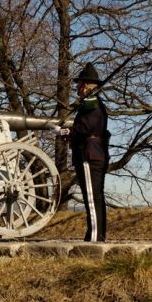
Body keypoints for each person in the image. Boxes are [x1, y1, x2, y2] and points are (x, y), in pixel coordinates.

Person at [64, 62, 110, 242]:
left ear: (84, 86)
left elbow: (85, 128)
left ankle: (95, 236)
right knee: (94, 196)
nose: (78, 88)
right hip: (93, 153)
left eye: (79, 85)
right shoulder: (90, 104)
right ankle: (96, 234)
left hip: (88, 154)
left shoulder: (91, 104)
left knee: (92, 198)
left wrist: (68, 132)